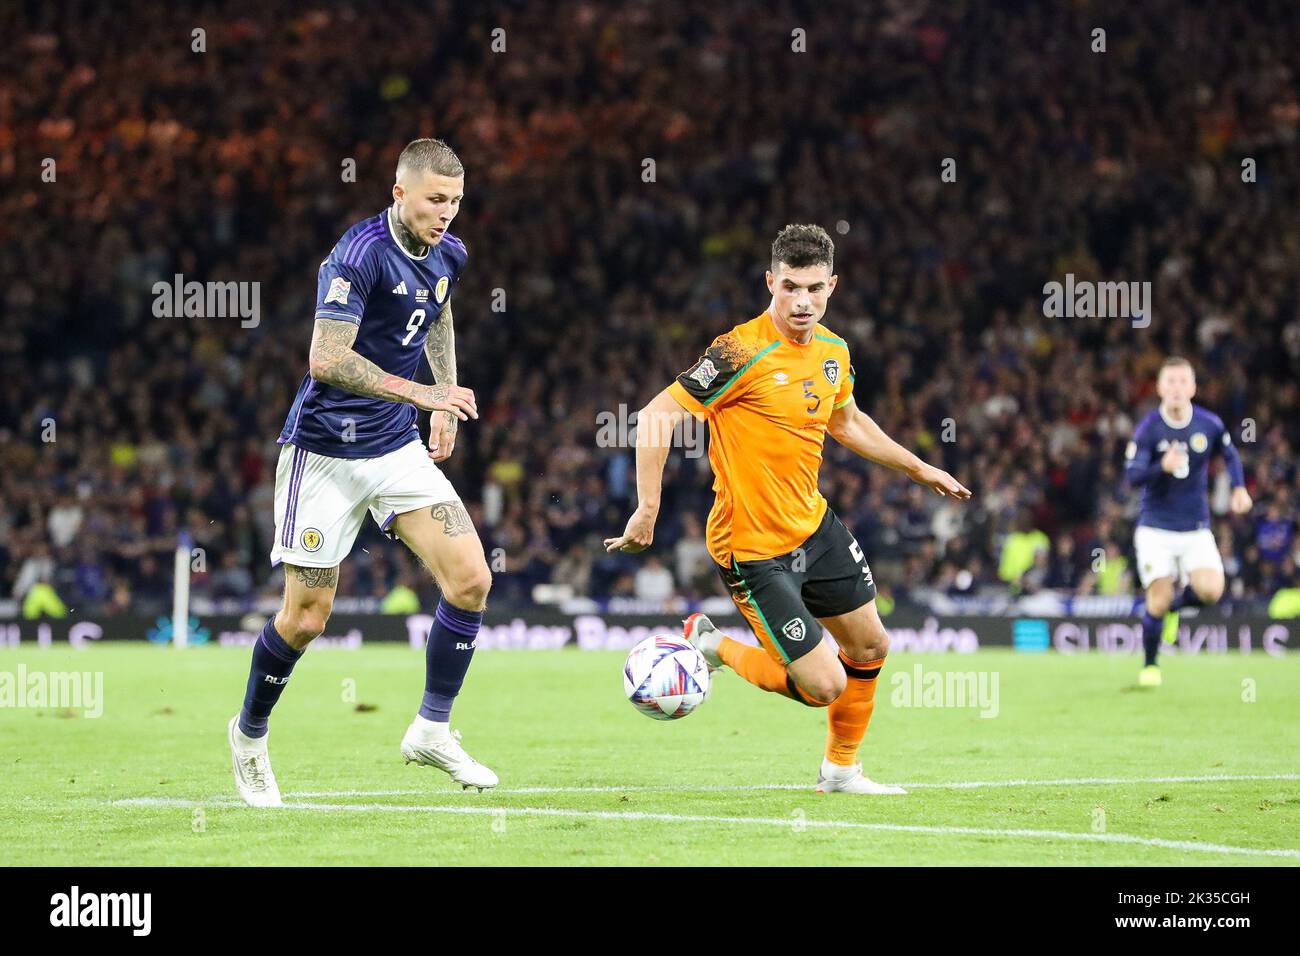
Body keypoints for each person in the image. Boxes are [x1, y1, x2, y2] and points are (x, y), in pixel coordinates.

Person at [606, 224, 971, 794]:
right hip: (751, 548)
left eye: (816, 289)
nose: (803, 302)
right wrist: (646, 506)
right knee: (823, 684)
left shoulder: (833, 351)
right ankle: (712, 645)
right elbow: (656, 416)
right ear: (770, 282)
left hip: (813, 527)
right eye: (791, 288)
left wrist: (919, 468)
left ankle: (842, 772)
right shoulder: (738, 350)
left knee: (871, 645)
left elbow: (846, 421)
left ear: (833, 287)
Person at [228, 139, 496, 807]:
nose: (447, 214)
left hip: (394, 449)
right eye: (436, 200)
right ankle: (250, 734)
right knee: (306, 619)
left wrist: (446, 395)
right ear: (399, 192)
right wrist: (422, 396)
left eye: (456, 201)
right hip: (322, 454)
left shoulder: (449, 253)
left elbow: (438, 310)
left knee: (471, 579)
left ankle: (432, 729)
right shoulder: (357, 254)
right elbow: (325, 357)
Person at [1124, 357, 1252, 687]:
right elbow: (1132, 476)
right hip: (1155, 528)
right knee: (1158, 598)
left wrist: (1239, 487)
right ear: (1160, 387)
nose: (1177, 388)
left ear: (1193, 387)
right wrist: (1161, 467)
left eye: (1183, 382)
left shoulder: (1209, 424)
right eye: (1171, 382)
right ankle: (1150, 666)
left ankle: (1172, 609)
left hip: (1195, 527)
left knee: (1211, 590)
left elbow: (1231, 454)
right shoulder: (1149, 428)